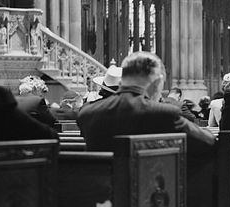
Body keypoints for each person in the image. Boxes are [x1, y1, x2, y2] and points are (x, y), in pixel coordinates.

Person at [76, 51, 215, 154]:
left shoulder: (86, 113)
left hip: (98, 190)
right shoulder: (163, 113)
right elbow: (209, 142)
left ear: (122, 80)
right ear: (157, 82)